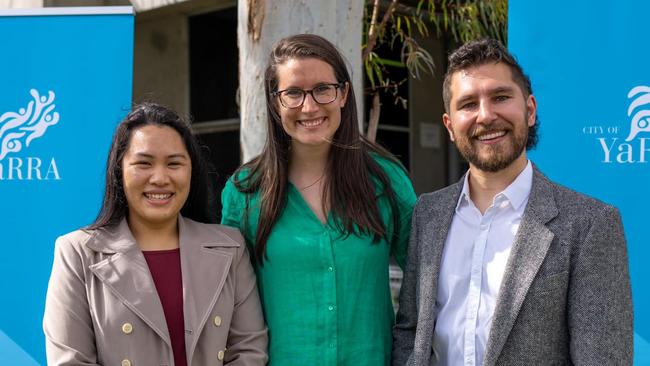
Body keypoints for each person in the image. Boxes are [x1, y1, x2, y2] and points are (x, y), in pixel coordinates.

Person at [392, 39, 633, 366]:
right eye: (468, 104)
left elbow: (603, 358)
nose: (486, 115)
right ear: (449, 126)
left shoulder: (589, 224)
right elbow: (410, 331)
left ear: (530, 110)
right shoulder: (428, 213)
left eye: (500, 97)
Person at [221, 34, 416, 365]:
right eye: (293, 93)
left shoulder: (386, 179)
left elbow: (426, 279)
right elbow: (229, 304)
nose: (309, 107)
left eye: (323, 89)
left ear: (343, 94)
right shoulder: (244, 191)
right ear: (275, 102)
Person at [43, 103, 268, 366]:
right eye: (143, 163)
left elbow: (249, 350)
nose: (160, 178)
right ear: (119, 170)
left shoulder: (230, 248)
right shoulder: (78, 253)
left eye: (174, 164)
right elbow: (70, 361)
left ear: (191, 171)